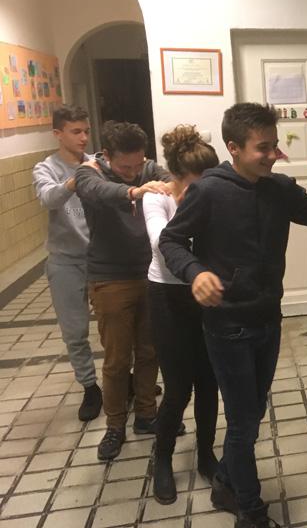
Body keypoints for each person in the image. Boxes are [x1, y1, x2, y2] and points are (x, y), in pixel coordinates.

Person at [159, 102, 307, 528]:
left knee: (252, 413)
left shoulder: (279, 189)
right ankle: (251, 511)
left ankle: (226, 481)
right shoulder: (209, 191)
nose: (272, 154)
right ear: (233, 147)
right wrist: (195, 272)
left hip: (268, 320)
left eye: (274, 145)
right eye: (262, 147)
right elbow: (171, 241)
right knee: (244, 422)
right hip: (227, 325)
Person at [75, 121, 172, 461]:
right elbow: (96, 191)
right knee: (117, 360)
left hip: (150, 274)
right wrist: (134, 192)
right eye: (124, 167)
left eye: (137, 165)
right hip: (110, 278)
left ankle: (146, 414)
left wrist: (169, 184)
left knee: (149, 350)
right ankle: (115, 425)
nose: (133, 173)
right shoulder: (89, 173)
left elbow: (172, 182)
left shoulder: (149, 168)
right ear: (106, 155)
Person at [143, 125, 220, 504]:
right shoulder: (156, 198)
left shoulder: (212, 195)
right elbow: (162, 241)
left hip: (205, 293)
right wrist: (187, 204)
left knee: (209, 381)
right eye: (194, 185)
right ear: (175, 177)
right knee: (177, 387)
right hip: (167, 295)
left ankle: (206, 454)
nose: (202, 193)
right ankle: (162, 458)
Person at [32, 105, 101, 422]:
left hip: (101, 259)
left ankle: (122, 378)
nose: (83, 137)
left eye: (86, 131)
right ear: (58, 134)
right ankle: (89, 387)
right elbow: (48, 198)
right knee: (75, 331)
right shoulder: (45, 168)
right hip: (65, 261)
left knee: (115, 325)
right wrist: (77, 179)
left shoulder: (98, 163)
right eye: (76, 132)